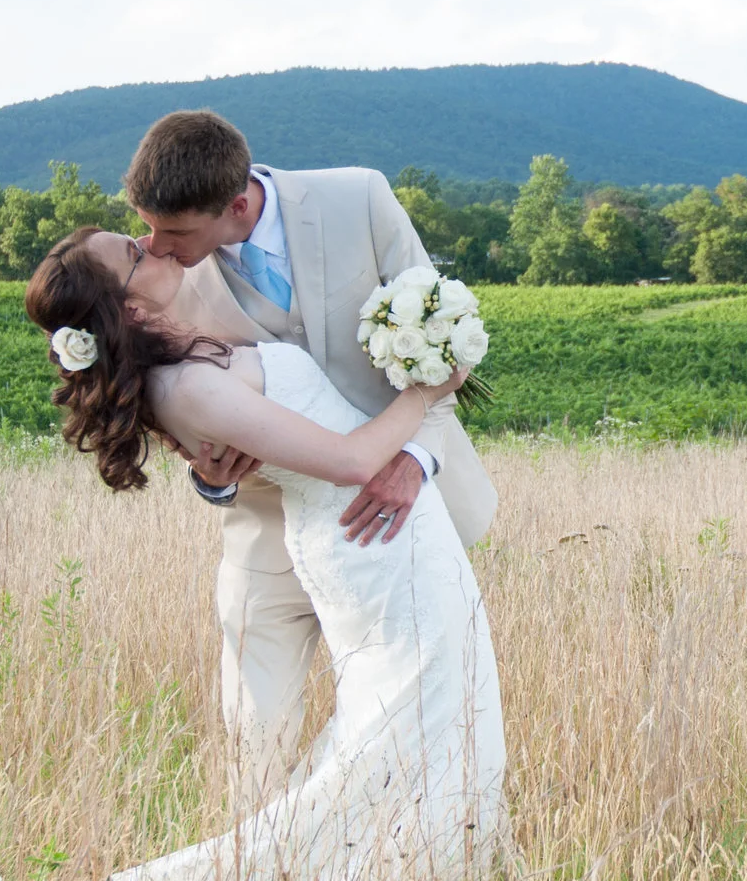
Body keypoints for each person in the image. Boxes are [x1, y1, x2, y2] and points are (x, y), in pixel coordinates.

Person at [0, 227, 508, 881]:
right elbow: (348, 461)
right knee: (411, 726)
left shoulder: (177, 354)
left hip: (384, 536)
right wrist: (433, 388)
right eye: (131, 253)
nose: (147, 243)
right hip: (371, 536)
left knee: (422, 726)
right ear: (123, 308)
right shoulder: (180, 385)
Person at [119, 110, 500, 811]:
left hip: (402, 520)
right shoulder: (159, 287)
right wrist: (208, 481)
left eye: (174, 233)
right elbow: (178, 410)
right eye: (146, 228)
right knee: (252, 746)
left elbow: (449, 344)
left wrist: (415, 458)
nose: (156, 247)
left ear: (236, 207)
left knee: (424, 722)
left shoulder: (359, 197)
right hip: (268, 535)